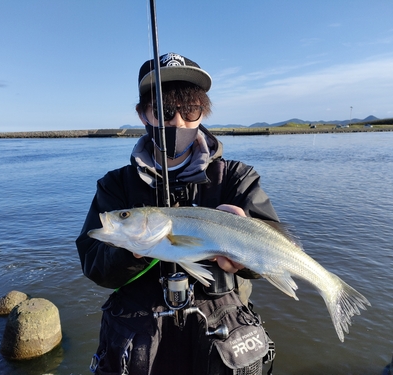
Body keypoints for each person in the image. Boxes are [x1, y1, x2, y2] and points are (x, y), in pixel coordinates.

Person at [76, 52, 279, 375]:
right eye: (166, 112)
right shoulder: (116, 186)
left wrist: (248, 256)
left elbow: (274, 247)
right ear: (143, 114)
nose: (178, 123)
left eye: (191, 111)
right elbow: (94, 265)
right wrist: (134, 251)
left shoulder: (237, 178)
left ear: (203, 113)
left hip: (222, 337)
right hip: (140, 337)